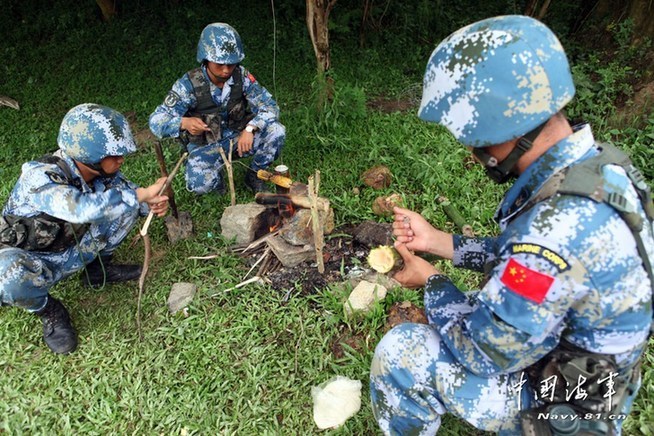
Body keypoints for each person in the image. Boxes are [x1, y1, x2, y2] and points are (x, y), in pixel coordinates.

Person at [370, 15, 654, 435]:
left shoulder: (553, 233)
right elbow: (526, 263)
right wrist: (439, 240)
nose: (469, 149)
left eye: (467, 135)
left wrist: (431, 280)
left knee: (402, 351)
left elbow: (483, 352)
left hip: (570, 404)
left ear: (496, 126)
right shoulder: (596, 166)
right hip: (594, 365)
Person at [0, 103, 169, 355]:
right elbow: (80, 209)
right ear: (88, 154)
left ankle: (98, 271)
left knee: (127, 206)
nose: (121, 159)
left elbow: (130, 200)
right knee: (7, 275)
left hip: (70, 248)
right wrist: (142, 195)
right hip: (32, 259)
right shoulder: (39, 177)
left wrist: (151, 203)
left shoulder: (102, 174)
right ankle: (49, 310)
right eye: (115, 154)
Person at [149, 22, 285, 195]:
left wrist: (251, 128)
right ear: (205, 58)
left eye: (231, 63)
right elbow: (156, 121)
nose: (226, 69)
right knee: (199, 186)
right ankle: (216, 178)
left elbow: (270, 107)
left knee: (276, 131)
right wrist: (183, 122)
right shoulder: (188, 85)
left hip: (239, 138)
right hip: (207, 147)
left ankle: (254, 176)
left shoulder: (241, 77)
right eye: (220, 63)